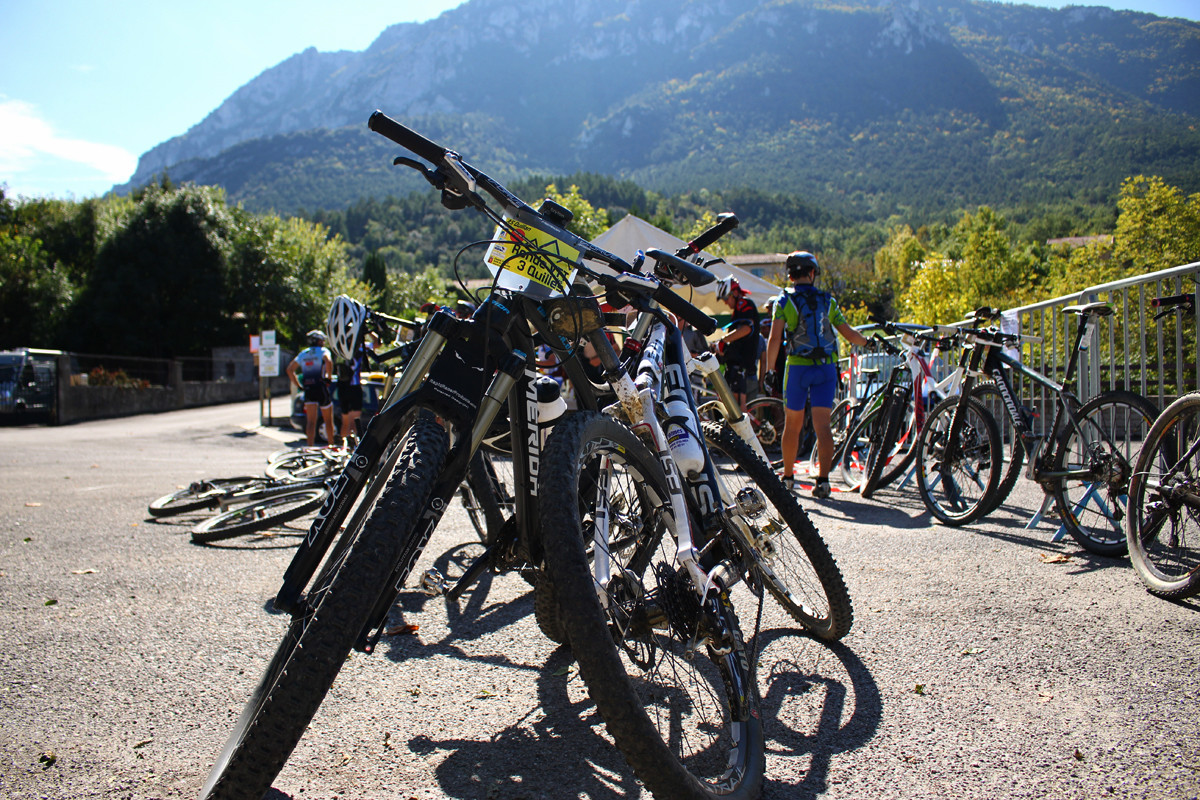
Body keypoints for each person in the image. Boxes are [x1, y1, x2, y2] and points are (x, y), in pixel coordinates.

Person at [765, 251, 868, 498]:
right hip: (825, 368)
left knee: (792, 427)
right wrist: (868, 343)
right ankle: (822, 482)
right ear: (812, 273)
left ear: (790, 275)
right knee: (823, 427)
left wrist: (770, 370)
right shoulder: (828, 301)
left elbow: (775, 338)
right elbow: (850, 334)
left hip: (798, 368)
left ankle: (788, 478)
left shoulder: (783, 301)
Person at [712, 275, 760, 411]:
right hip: (736, 365)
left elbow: (746, 328)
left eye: (726, 298)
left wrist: (723, 340)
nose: (726, 303)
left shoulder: (744, 304)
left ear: (735, 293)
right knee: (731, 407)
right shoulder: (737, 311)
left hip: (743, 366)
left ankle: (748, 432)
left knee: (738, 410)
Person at [287, 330, 336, 447]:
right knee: (328, 420)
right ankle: (331, 445)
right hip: (321, 387)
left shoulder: (304, 353)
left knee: (310, 421)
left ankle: (310, 447)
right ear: (319, 341)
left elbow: (290, 369)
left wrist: (298, 384)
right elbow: (328, 361)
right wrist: (328, 377)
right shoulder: (323, 351)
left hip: (309, 388)